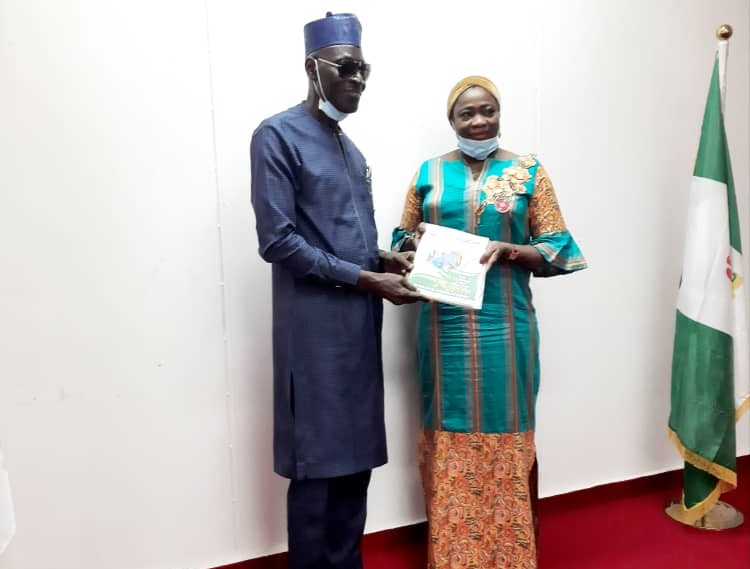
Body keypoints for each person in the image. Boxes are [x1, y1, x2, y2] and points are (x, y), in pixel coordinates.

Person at [249, 12, 423, 569]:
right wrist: (367, 279)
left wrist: (384, 258)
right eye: (345, 67)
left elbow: (347, 238)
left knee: (355, 468)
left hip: (359, 335)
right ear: (312, 68)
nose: (358, 80)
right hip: (314, 337)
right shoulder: (277, 136)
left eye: (364, 69)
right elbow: (279, 242)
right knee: (318, 471)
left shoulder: (352, 151)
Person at [392, 75, 587, 568]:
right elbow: (400, 239)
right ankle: (453, 556)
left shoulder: (528, 172)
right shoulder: (429, 172)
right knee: (447, 431)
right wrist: (413, 243)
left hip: (506, 325)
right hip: (442, 329)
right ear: (451, 120)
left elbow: (558, 246)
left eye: (488, 110)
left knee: (509, 432)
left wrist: (512, 250)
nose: (479, 121)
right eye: (467, 113)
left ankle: (512, 555)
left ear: (500, 113)